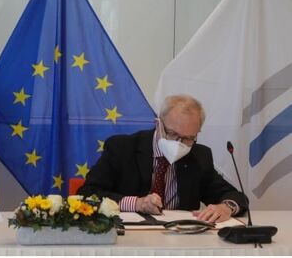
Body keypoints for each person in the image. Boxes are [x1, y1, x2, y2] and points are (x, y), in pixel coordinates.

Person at [78, 94, 247, 223]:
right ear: (158, 124)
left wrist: (226, 207)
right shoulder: (122, 148)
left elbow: (235, 196)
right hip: (130, 237)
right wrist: (136, 203)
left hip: (180, 239)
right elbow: (87, 194)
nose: (179, 144)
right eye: (172, 134)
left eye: (188, 138)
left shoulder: (199, 156)